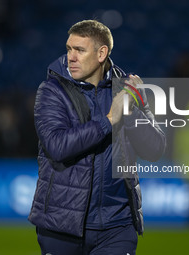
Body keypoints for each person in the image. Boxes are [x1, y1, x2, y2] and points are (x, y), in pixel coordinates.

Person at [28, 20, 166, 255]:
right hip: (62, 224)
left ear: (102, 53)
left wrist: (130, 111)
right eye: (69, 48)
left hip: (116, 226)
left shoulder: (126, 90)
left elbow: (156, 149)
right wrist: (110, 119)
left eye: (79, 50)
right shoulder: (52, 91)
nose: (71, 56)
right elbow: (57, 146)